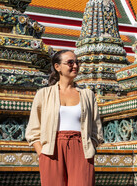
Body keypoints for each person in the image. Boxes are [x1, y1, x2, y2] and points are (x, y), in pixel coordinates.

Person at [26, 50, 104, 186]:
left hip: (82, 148)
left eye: (77, 62)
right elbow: (33, 129)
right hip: (51, 149)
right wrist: (42, 154)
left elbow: (96, 128)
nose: (75, 66)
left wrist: (91, 146)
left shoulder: (87, 95)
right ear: (57, 67)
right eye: (70, 62)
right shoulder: (43, 94)